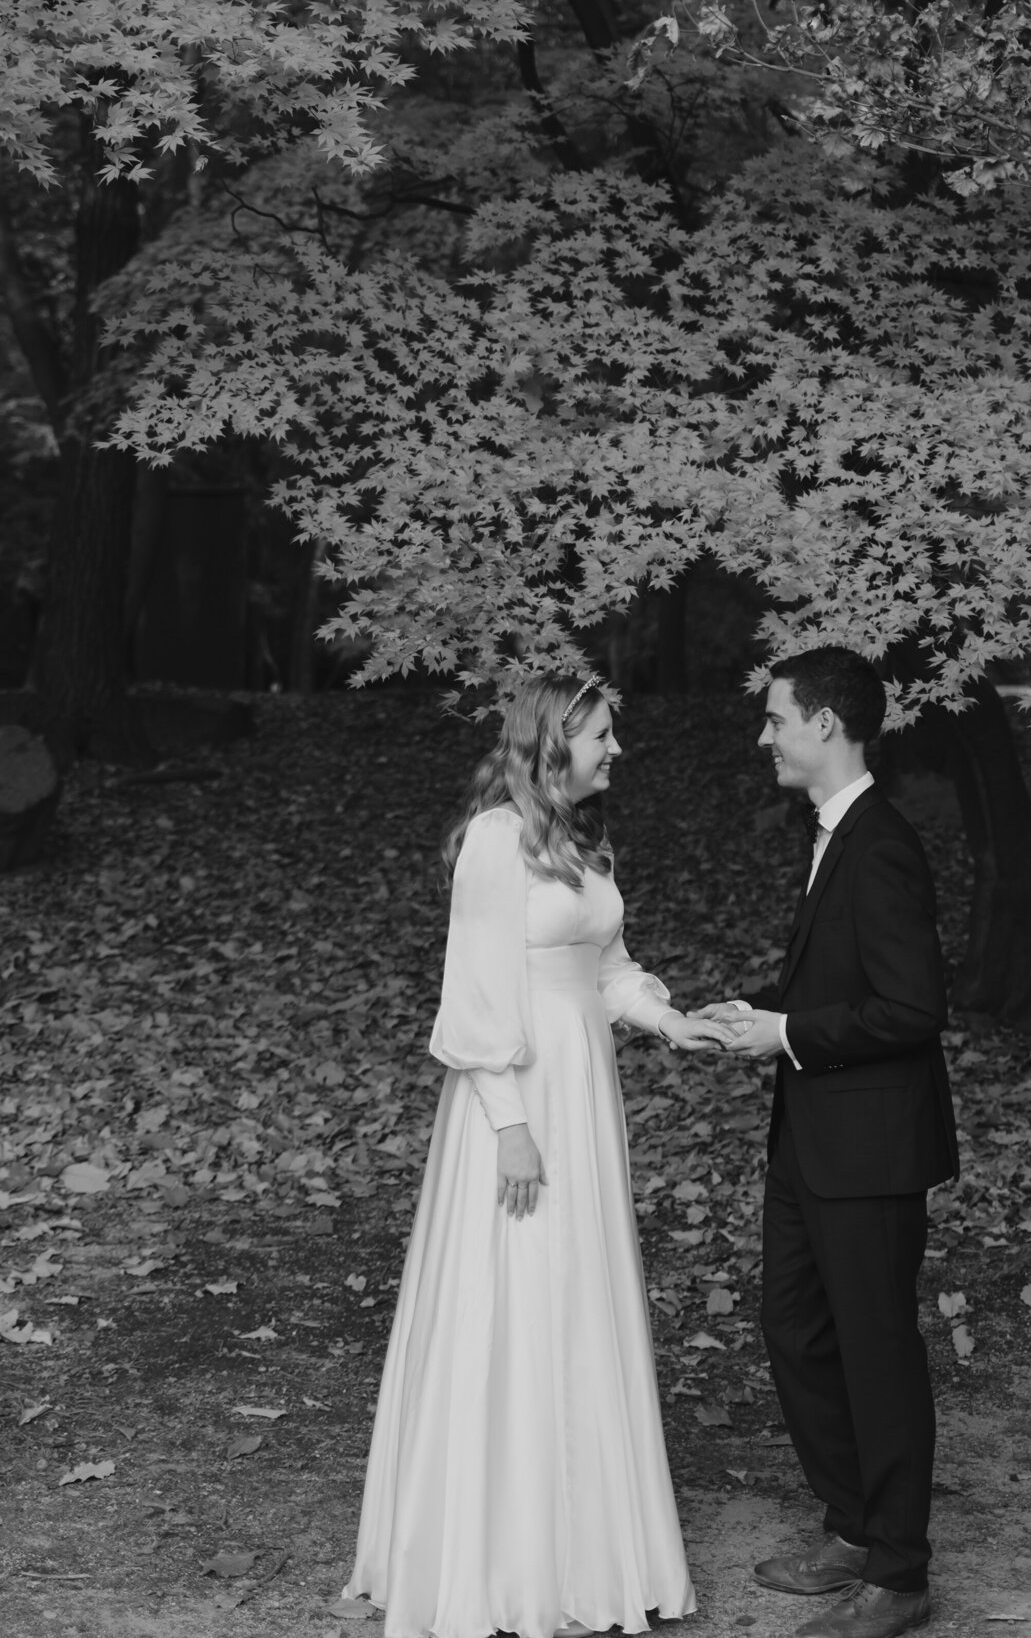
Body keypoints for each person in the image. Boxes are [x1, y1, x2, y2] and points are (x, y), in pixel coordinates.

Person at [344, 671, 726, 1638]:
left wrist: (669, 1019)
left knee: (578, 1300)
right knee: (508, 1302)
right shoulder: (493, 839)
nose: (616, 748)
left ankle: (589, 1551)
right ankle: (491, 1561)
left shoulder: (585, 840)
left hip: (584, 1093)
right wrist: (510, 1126)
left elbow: (605, 967)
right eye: (603, 733)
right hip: (511, 1106)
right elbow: (473, 995)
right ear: (556, 740)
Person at [695, 647, 959, 1638]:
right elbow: (838, 978)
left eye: (775, 718)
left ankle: (899, 1571)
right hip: (812, 1141)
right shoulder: (829, 834)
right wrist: (756, 1008)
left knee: (877, 1349)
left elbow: (911, 1007)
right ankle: (850, 1522)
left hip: (872, 1147)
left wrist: (789, 1035)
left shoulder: (882, 842)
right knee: (794, 1327)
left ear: (825, 725)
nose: (763, 734)